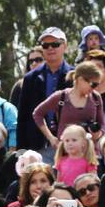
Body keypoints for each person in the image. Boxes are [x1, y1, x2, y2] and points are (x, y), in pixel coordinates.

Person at [16, 27, 73, 155]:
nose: (50, 48)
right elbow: (22, 117)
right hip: (37, 147)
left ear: (65, 46)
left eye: (55, 44)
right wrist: (21, 152)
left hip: (69, 147)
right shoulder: (30, 78)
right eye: (46, 45)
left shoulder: (75, 76)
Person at [33, 59, 104, 154]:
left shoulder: (96, 97)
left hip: (88, 154)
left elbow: (102, 124)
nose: (96, 88)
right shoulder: (61, 97)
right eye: (93, 84)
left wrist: (97, 134)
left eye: (98, 85)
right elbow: (37, 114)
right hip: (64, 154)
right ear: (80, 79)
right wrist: (51, 138)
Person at [51, 123, 98, 187]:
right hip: (66, 195)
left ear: (83, 143)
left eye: (74, 140)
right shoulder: (61, 161)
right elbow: (58, 182)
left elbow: (93, 182)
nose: (70, 143)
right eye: (67, 141)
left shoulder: (88, 161)